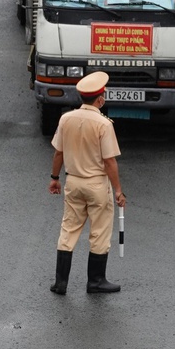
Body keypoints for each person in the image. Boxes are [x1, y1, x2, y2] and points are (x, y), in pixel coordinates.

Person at [48, 71, 126, 295]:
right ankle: (96, 281)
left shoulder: (66, 119)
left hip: (73, 181)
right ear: (100, 98)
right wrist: (118, 191)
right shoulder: (103, 124)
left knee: (69, 229)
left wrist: (55, 178)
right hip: (96, 185)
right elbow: (109, 162)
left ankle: (60, 283)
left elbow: (58, 153)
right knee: (99, 231)